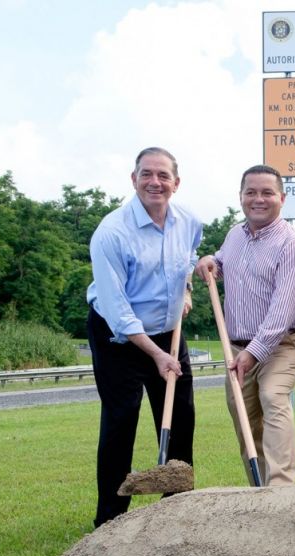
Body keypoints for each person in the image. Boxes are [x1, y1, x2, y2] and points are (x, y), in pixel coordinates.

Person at [86, 146, 202, 527]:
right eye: (146, 174)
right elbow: (118, 311)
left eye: (163, 175)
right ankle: (110, 519)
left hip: (169, 333)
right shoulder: (112, 233)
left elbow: (187, 260)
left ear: (176, 182)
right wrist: (156, 355)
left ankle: (176, 507)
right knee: (122, 418)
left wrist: (186, 291)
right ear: (133, 179)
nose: (155, 182)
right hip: (118, 337)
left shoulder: (188, 221)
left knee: (181, 415)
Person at [194, 164, 295, 486]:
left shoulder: (293, 245)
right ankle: (258, 490)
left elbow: (281, 312)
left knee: (273, 397)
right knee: (243, 415)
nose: (258, 199)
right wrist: (209, 261)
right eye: (251, 192)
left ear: (282, 198)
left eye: (267, 193)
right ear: (241, 196)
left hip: (281, 345)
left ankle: (281, 487)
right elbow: (221, 260)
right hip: (237, 346)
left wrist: (255, 353)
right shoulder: (235, 234)